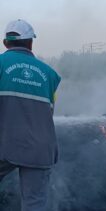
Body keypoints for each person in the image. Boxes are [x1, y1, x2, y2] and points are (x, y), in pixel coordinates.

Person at [0, 19, 61, 211]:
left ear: (5, 43)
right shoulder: (50, 74)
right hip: (40, 149)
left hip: (4, 143)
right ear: (30, 43)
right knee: (35, 204)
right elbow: (49, 112)